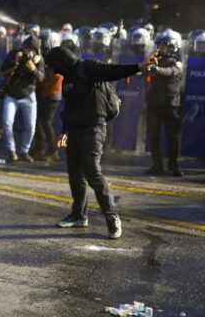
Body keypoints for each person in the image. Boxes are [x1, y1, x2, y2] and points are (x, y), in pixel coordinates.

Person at [46, 46, 157, 239]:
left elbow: (113, 71)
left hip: (93, 129)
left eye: (52, 64)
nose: (51, 69)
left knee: (92, 172)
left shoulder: (87, 68)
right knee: (75, 173)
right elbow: (71, 108)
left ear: (60, 62)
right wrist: (65, 132)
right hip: (75, 131)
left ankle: (111, 216)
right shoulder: (68, 78)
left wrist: (140, 66)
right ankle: (79, 216)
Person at [0, 36, 45, 163]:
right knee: (6, 122)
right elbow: (2, 70)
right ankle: (11, 150)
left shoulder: (39, 59)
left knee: (30, 126)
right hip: (12, 93)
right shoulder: (14, 54)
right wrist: (15, 62)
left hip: (29, 94)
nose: (29, 52)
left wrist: (34, 69)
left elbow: (42, 78)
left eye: (32, 49)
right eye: (27, 48)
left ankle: (24, 151)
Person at [144, 35, 183, 177]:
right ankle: (157, 165)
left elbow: (171, 72)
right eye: (160, 46)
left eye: (165, 46)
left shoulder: (176, 63)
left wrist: (156, 70)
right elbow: (141, 72)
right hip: (154, 105)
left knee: (173, 138)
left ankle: (174, 165)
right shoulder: (153, 61)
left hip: (171, 105)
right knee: (153, 136)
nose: (162, 49)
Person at [32, 31, 63, 162]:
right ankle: (38, 149)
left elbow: (55, 77)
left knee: (46, 122)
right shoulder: (49, 55)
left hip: (51, 95)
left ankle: (53, 151)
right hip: (45, 93)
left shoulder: (57, 57)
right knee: (38, 122)